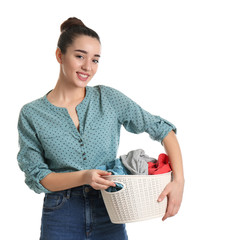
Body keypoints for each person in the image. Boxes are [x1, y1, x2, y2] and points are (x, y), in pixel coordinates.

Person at [17, 17, 184, 240]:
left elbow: (162, 129)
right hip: (61, 212)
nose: (88, 67)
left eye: (95, 60)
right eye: (79, 56)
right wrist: (84, 176)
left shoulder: (109, 99)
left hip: (111, 207)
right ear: (59, 55)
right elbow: (38, 176)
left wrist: (179, 181)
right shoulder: (32, 114)